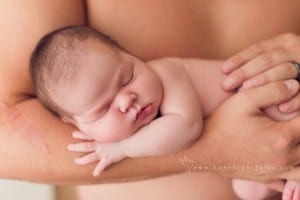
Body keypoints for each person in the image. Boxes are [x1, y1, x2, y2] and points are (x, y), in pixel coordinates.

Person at [1, 0, 300, 199]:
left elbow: (187, 126)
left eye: (129, 77)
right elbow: (6, 130)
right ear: (72, 121)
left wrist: (122, 148)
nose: (126, 100)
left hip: (278, 112)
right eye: (102, 109)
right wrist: (231, 154)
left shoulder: (169, 74)